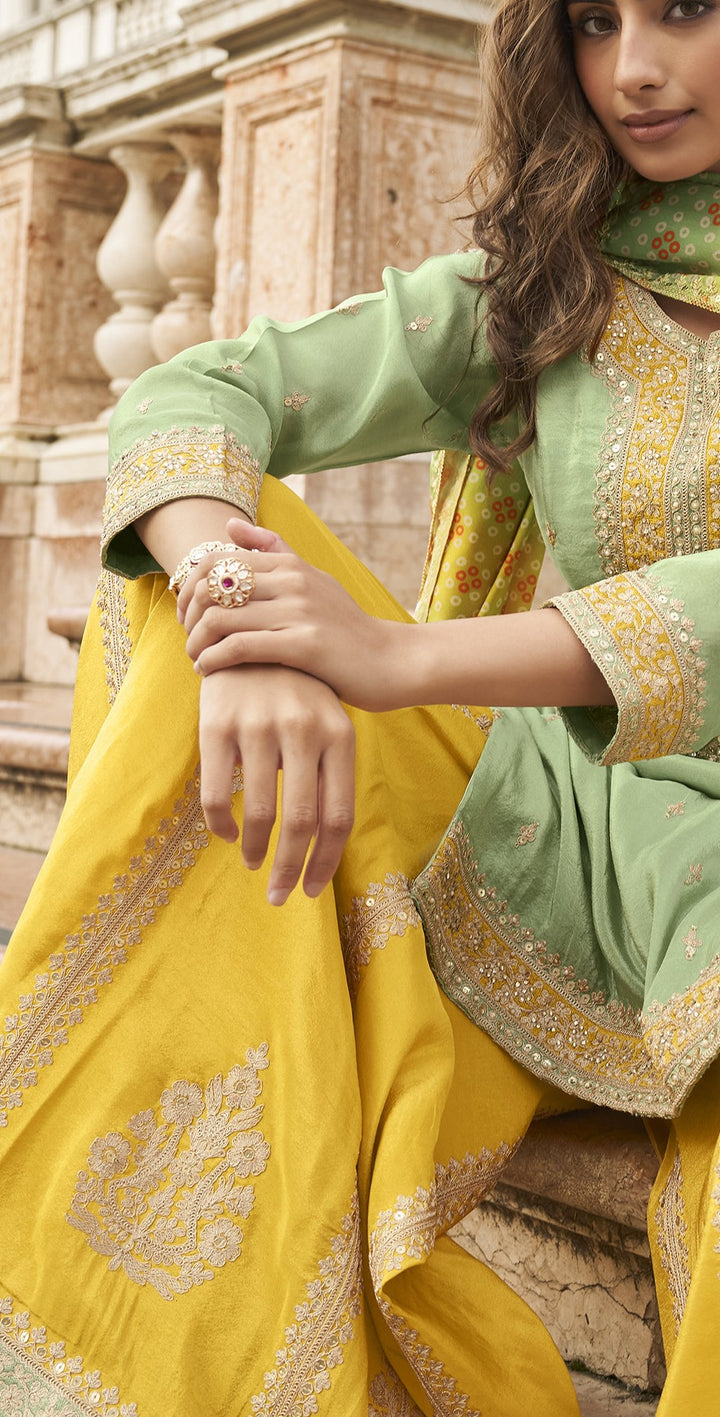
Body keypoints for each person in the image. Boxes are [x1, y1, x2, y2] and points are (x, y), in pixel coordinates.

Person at [1, 0, 720, 1410]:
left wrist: (402, 660)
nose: (634, 68)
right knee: (201, 576)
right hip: (582, 819)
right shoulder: (550, 286)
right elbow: (195, 391)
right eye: (594, 20)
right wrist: (248, 623)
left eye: (685, 9)